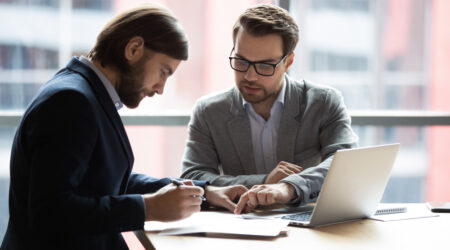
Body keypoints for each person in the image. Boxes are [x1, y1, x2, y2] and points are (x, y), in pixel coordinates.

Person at [1, 4, 247, 250]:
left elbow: (104, 179)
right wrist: (148, 208)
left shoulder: (86, 92)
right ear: (133, 49)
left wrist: (203, 193)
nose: (160, 88)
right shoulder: (71, 101)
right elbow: (50, 212)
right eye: (163, 72)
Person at [180, 4, 358, 214]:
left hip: (308, 225)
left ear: (288, 62)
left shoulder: (323, 102)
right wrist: (264, 181)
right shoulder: (209, 111)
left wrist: (288, 187)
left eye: (265, 66)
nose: (250, 76)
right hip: (239, 227)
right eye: (241, 61)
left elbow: (346, 164)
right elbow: (193, 177)